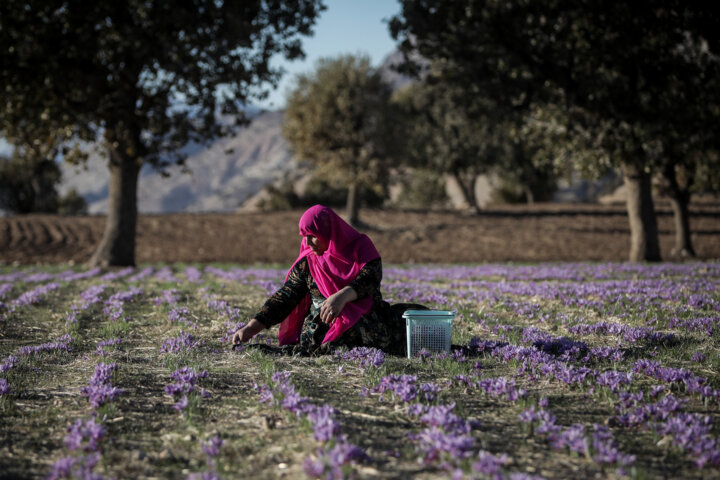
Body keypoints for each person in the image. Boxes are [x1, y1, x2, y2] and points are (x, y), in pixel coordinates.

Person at [231, 204, 425, 355]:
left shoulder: (360, 247)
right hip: (323, 329)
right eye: (304, 236)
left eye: (313, 236)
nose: (307, 243)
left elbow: (370, 278)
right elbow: (286, 297)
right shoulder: (308, 263)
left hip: (368, 321)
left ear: (328, 231)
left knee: (417, 317)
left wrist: (342, 297)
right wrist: (251, 327)